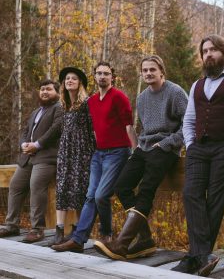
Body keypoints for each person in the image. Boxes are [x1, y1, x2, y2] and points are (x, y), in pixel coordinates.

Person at [171, 34, 224, 277]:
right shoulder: (197, 85)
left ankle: (194, 258)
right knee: (191, 194)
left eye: (213, 50)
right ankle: (201, 256)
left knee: (216, 201)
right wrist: (190, 143)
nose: (208, 54)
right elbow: (188, 119)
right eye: (205, 51)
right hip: (198, 148)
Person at [93, 55, 188, 261]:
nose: (148, 73)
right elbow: (144, 128)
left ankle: (122, 243)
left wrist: (166, 143)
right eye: (144, 70)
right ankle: (145, 240)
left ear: (162, 71)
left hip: (165, 149)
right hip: (144, 148)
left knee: (146, 190)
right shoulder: (142, 97)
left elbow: (189, 125)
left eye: (152, 70)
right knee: (122, 186)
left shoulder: (176, 92)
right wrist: (138, 148)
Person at [51, 61, 137, 253]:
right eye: (98, 73)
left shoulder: (119, 97)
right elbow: (91, 129)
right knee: (90, 196)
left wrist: (135, 153)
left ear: (112, 76)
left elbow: (129, 127)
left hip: (118, 152)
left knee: (100, 195)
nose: (102, 77)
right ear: (95, 76)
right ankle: (78, 240)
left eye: (106, 73)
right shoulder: (91, 102)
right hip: (98, 153)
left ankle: (107, 234)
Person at [0, 79, 62, 243]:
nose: (44, 92)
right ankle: (12, 225)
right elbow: (26, 130)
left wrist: (37, 144)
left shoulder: (59, 108)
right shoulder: (37, 111)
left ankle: (37, 229)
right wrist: (23, 144)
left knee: (36, 186)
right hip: (27, 157)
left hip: (46, 157)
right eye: (42, 89)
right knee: (15, 186)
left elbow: (55, 129)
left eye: (49, 89)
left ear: (57, 92)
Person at [49, 67, 96, 246]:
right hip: (65, 152)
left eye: (73, 78)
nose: (69, 81)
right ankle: (59, 230)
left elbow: (93, 129)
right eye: (67, 78)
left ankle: (76, 232)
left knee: (79, 190)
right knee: (62, 188)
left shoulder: (87, 103)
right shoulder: (62, 105)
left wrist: (93, 152)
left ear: (80, 83)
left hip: (82, 152)